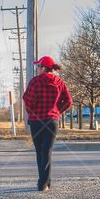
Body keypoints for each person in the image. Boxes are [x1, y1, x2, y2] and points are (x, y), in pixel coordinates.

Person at [22, 56, 72, 191]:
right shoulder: (60, 82)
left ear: (43, 68)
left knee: (40, 152)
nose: (37, 69)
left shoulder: (35, 82)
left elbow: (28, 100)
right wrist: (56, 111)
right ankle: (45, 183)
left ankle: (42, 183)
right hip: (52, 122)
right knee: (47, 152)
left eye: (38, 66)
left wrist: (31, 111)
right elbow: (68, 101)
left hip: (36, 121)